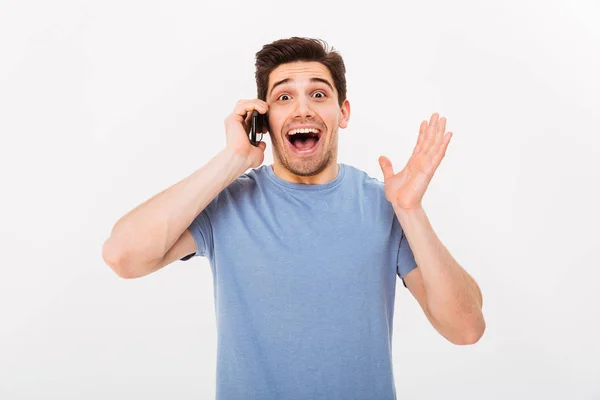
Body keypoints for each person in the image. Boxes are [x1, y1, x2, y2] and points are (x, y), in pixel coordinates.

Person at [102, 37, 485, 399]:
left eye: (319, 94)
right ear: (262, 119)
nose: (303, 109)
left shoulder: (385, 205)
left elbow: (466, 328)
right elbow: (123, 256)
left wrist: (411, 211)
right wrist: (232, 160)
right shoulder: (227, 202)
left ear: (343, 112)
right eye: (284, 96)